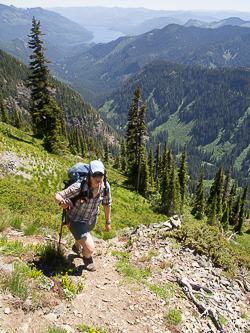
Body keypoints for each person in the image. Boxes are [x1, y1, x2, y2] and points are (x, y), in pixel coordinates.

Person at [54, 160, 111, 271]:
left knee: (84, 236)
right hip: (76, 220)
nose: (98, 178)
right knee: (90, 248)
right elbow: (58, 195)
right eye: (95, 175)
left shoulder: (105, 187)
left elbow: (106, 203)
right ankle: (87, 259)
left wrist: (108, 221)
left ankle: (76, 247)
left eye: (101, 174)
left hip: (91, 220)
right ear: (90, 174)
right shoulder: (80, 186)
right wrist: (61, 202)